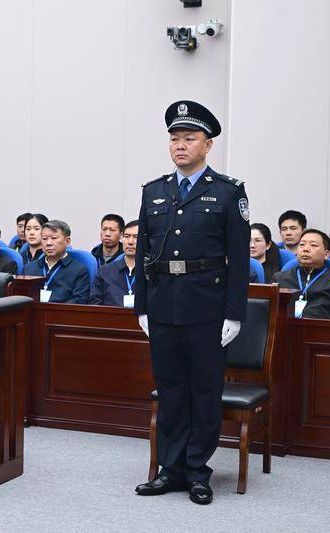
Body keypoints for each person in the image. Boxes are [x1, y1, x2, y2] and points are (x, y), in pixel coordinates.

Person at [134, 100, 249, 505]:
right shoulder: (154, 191)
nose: (180, 146)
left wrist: (234, 313)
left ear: (208, 144)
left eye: (189, 138)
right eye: (174, 139)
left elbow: (239, 259)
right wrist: (142, 306)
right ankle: (171, 469)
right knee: (170, 390)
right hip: (163, 305)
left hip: (207, 308)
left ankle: (198, 470)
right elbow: (144, 253)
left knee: (203, 390)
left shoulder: (228, 191)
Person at [24, 220, 90, 303]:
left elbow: (79, 301)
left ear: (67, 241)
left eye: (54, 238)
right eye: (44, 239)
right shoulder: (28, 269)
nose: (48, 243)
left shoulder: (79, 271)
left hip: (62, 311)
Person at [273, 229, 330, 318]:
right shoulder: (280, 278)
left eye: (313, 245)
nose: (305, 249)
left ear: (326, 254)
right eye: (302, 245)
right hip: (286, 325)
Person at [90, 220, 138, 307]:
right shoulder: (104, 271)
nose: (130, 242)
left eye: (136, 237)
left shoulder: (152, 272)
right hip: (109, 315)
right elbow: (95, 303)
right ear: (122, 238)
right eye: (127, 236)